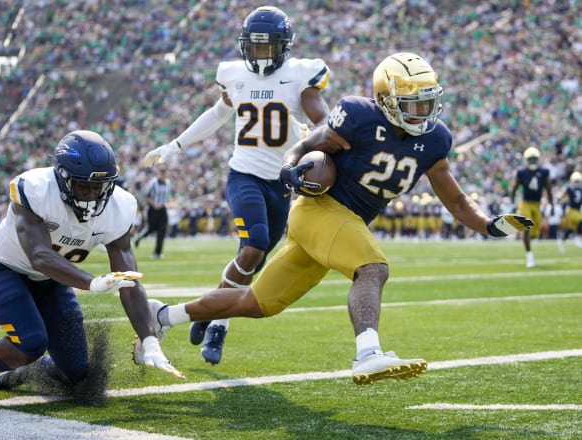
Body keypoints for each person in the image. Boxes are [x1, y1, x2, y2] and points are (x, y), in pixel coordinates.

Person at [133, 52, 534, 386]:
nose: (422, 112)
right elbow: (309, 143)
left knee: (255, 302)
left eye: (427, 102)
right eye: (413, 103)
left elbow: (458, 200)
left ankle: (162, 315)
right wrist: (290, 167)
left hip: (340, 224)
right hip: (319, 209)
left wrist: (490, 225)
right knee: (372, 268)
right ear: (386, 99)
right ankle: (368, 353)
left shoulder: (435, 139)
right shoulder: (358, 116)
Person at [142, 6, 331, 365]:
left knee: (254, 262)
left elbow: (324, 120)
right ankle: (218, 324)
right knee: (254, 246)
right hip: (244, 175)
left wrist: (318, 142)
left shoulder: (300, 76)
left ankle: (212, 311)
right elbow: (218, 113)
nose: (260, 53)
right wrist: (176, 145)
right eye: (255, 46)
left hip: (282, 183)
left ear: (284, 46)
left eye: (268, 46)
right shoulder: (234, 75)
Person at [0, 130, 183, 397]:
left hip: (51, 281)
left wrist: (149, 339)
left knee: (76, 371)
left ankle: (26, 370)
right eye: (82, 185)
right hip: (3, 267)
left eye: (98, 187)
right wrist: (91, 282)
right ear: (61, 177)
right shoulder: (36, 188)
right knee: (31, 341)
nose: (90, 195)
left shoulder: (120, 206)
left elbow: (129, 280)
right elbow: (39, 255)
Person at [509, 146, 554, 268]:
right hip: (526, 203)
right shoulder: (522, 172)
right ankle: (529, 255)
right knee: (527, 226)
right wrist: (512, 202)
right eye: (531, 159)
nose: (533, 162)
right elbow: (514, 187)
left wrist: (552, 204)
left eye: (535, 159)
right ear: (526, 160)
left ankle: (528, 243)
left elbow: (548, 189)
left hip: (537, 204)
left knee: (535, 230)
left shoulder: (543, 172)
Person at [133, 167, 171, 259]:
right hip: (152, 210)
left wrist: (166, 203)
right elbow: (145, 195)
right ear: (159, 174)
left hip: (162, 209)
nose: (163, 175)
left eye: (164, 173)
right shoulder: (153, 183)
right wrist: (154, 204)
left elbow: (167, 196)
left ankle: (157, 253)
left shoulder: (168, 183)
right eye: (162, 173)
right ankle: (138, 237)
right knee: (150, 229)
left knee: (162, 231)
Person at [557, 171, 582, 251]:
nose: (577, 183)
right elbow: (562, 196)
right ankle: (577, 237)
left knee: (570, 229)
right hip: (571, 210)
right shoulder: (569, 189)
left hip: (578, 210)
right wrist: (560, 199)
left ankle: (562, 241)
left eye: (578, 181)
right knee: (581, 220)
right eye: (576, 181)